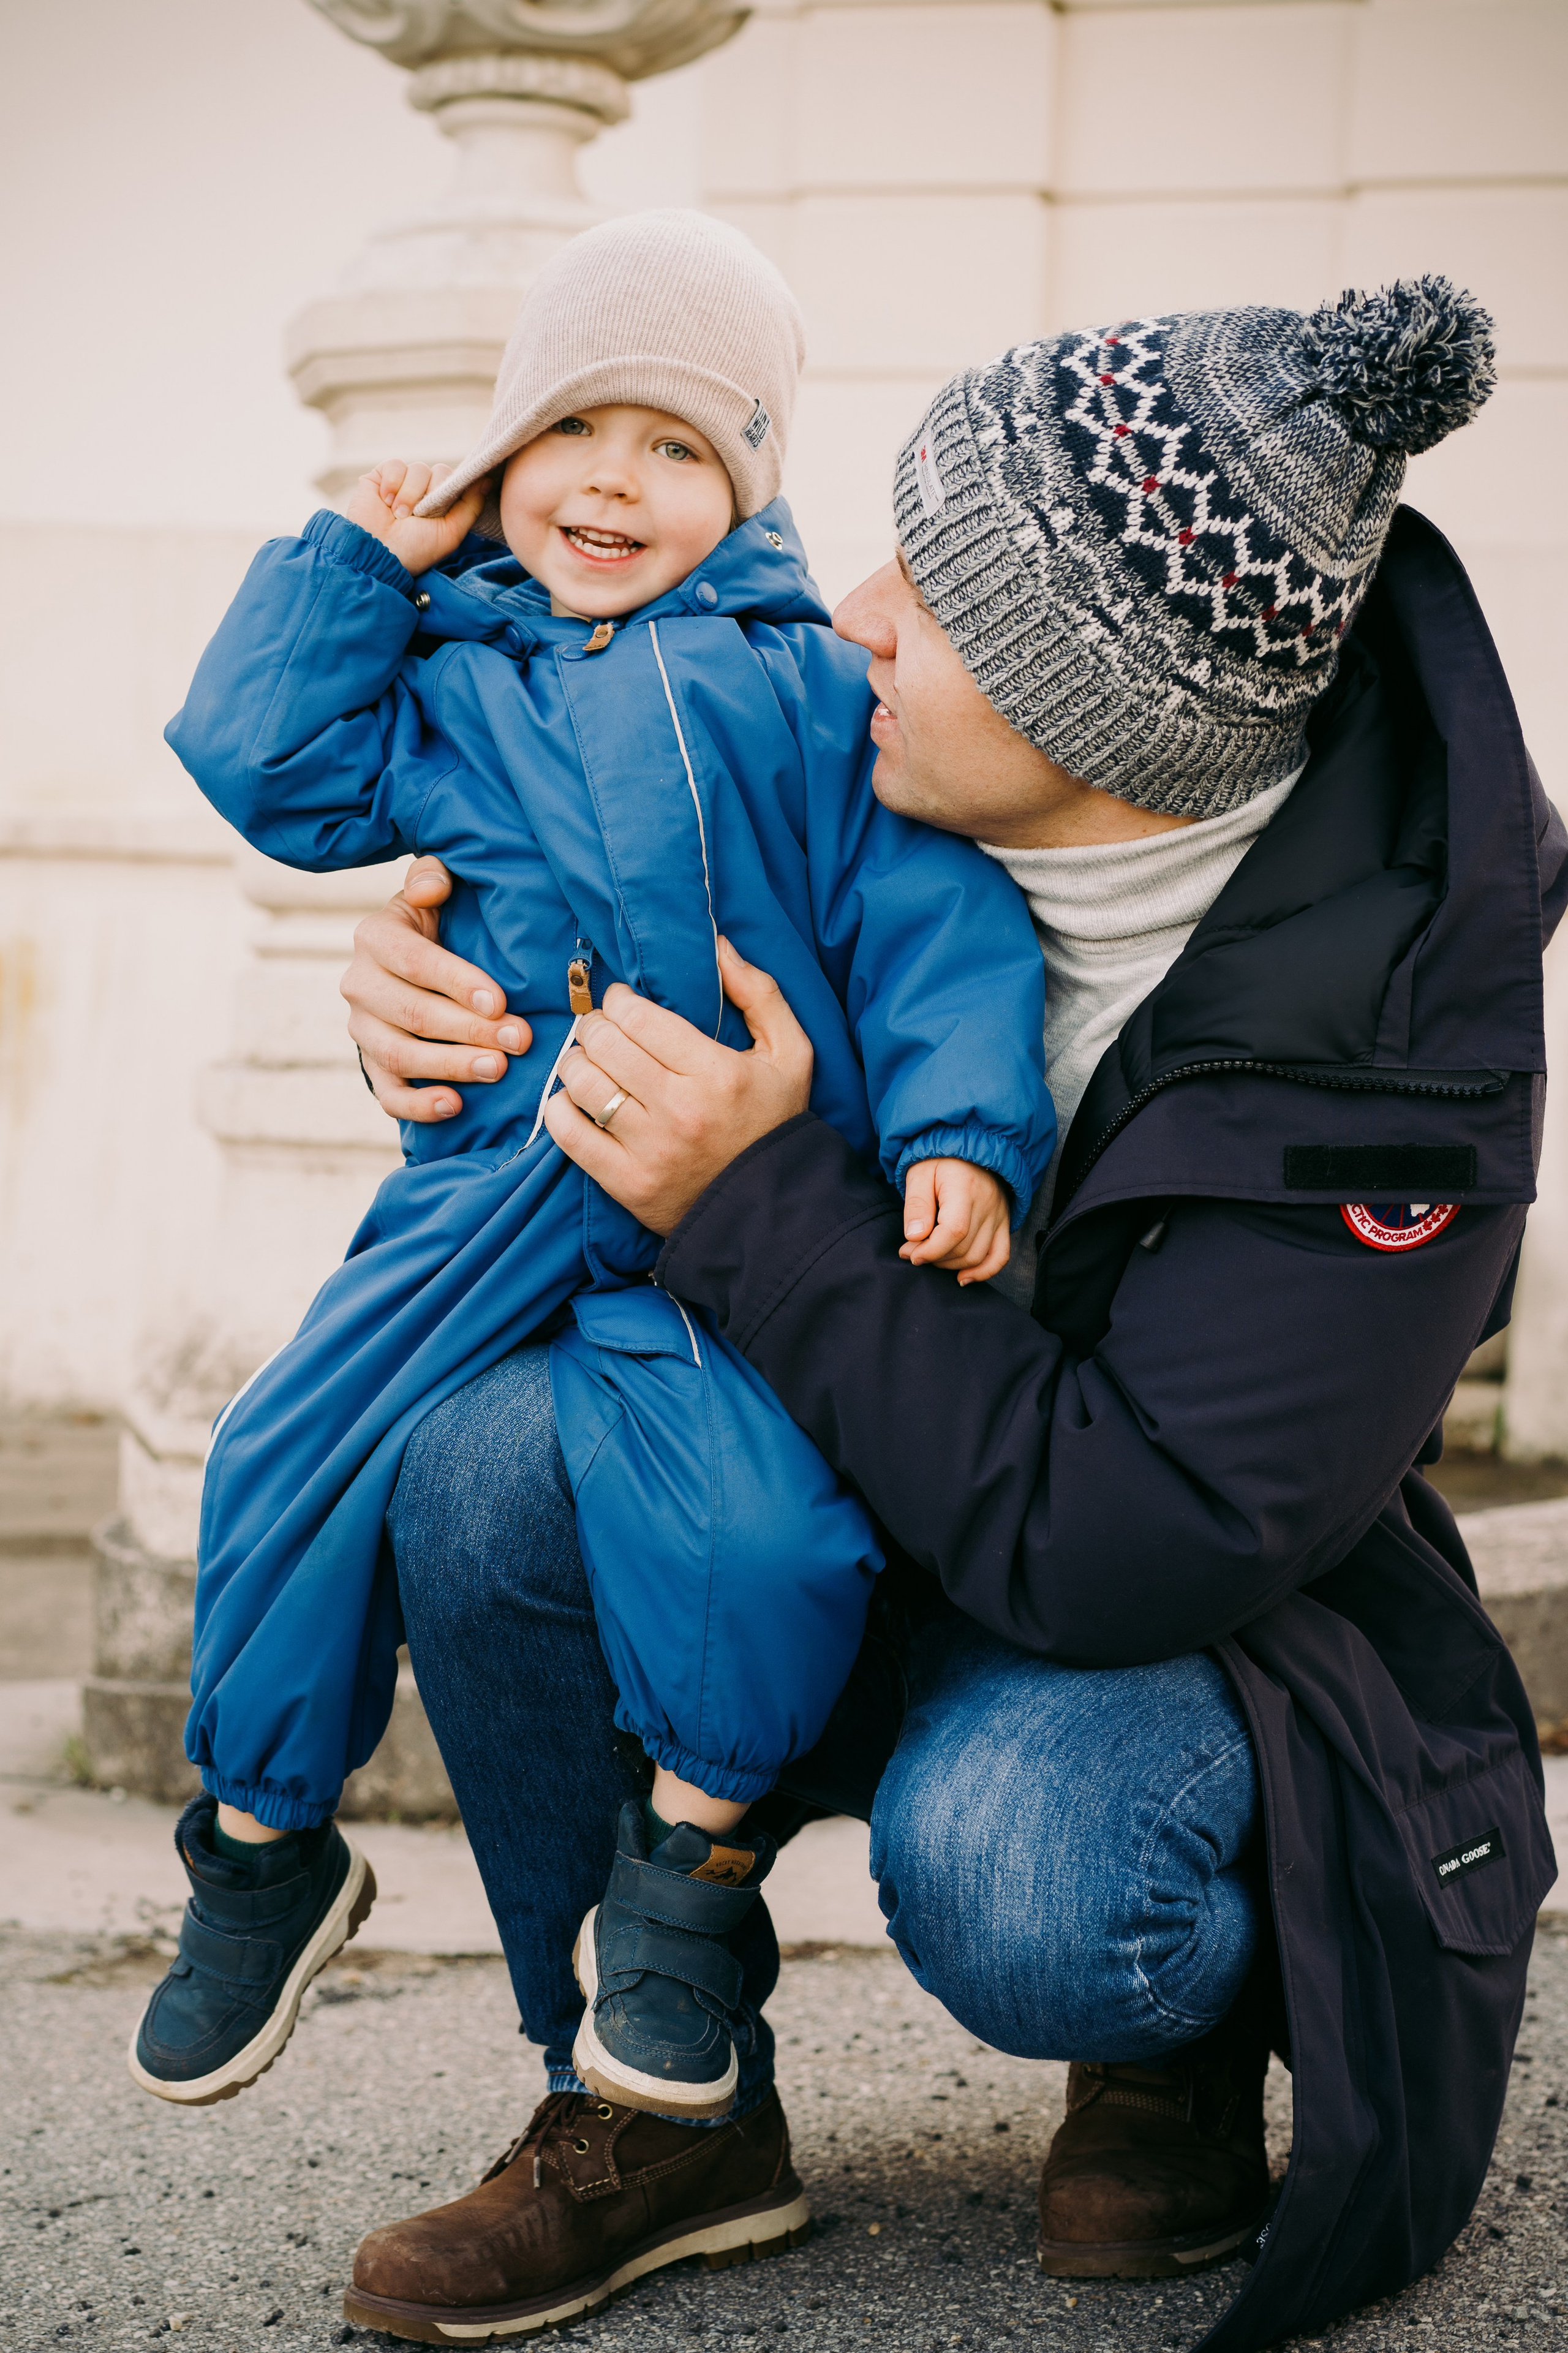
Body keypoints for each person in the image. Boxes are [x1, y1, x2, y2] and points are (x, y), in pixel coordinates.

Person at [338, 279, 1561, 2353]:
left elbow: (1132, 1533)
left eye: (947, 600)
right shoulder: (865, 772)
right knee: (476, 1467)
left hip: (1162, 1610)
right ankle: (655, 2089)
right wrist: (442, 1010)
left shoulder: (1397, 1044)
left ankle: (1180, 2023)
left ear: (1108, 717)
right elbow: (594, 893)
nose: (861, 617)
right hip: (818, 1485)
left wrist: (748, 1189)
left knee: (1027, 1866)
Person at [129, 209, 1055, 2124]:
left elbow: (931, 916)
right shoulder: (454, 667)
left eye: (678, 447)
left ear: (749, 484)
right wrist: (356, 565)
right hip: (483, 1200)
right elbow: (265, 765)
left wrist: (965, 1131)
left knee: (757, 1527)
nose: (615, 482)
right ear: (500, 454)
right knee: (282, 1452)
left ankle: (683, 1898)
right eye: (574, 431)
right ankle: (261, 1839)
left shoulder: (806, 691)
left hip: (723, 1224)